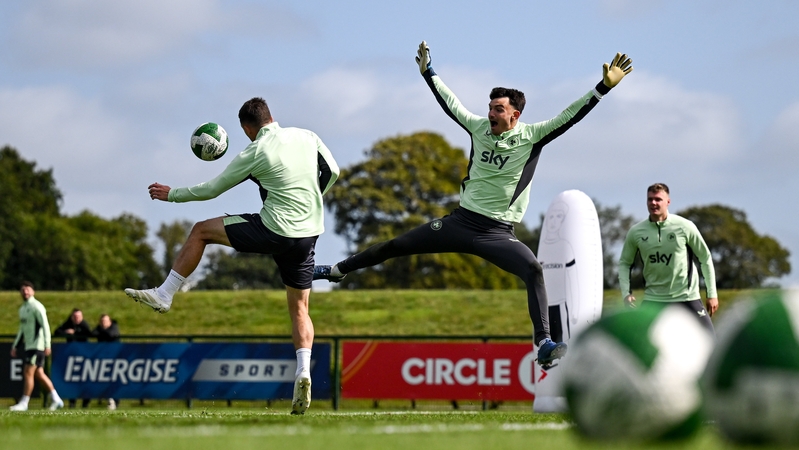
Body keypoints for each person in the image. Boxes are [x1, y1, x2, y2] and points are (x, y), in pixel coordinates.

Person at [314, 41, 633, 369]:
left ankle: (544, 344)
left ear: (514, 115)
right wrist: (428, 71)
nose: (490, 113)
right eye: (490, 107)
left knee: (533, 270)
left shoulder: (533, 136)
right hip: (460, 223)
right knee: (396, 245)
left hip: (496, 233)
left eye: (498, 109)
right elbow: (451, 104)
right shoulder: (479, 128)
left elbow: (571, 115)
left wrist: (603, 88)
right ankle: (337, 270)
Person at [123, 97, 340, 415]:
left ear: (246, 128)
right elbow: (333, 171)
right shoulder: (307, 136)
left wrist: (173, 195)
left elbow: (213, 189)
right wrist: (312, 198)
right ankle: (303, 370)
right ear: (271, 116)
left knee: (201, 231)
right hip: (308, 233)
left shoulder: (255, 151)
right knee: (300, 308)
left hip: (275, 229)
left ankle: (165, 293)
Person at [618, 183, 718, 334]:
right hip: (654, 300)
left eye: (658, 199)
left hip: (687, 297)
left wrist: (712, 294)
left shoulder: (685, 226)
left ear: (668, 202)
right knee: (640, 348)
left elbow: (705, 258)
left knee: (710, 342)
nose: (653, 203)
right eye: (650, 199)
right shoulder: (636, 232)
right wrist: (626, 293)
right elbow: (625, 263)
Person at [9, 281, 65, 411]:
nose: (25, 292)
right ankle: (56, 399)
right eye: (23, 290)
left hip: (37, 346)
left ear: (33, 291)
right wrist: (15, 346)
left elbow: (45, 325)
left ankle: (24, 402)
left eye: (28, 289)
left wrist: (47, 343)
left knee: (28, 372)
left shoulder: (37, 306)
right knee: (39, 373)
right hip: (29, 346)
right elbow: (22, 330)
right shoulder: (22, 309)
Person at [54, 308, 93, 408]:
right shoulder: (68, 324)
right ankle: (72, 402)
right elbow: (57, 332)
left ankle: (85, 402)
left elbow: (89, 334)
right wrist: (66, 332)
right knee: (72, 381)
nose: (76, 319)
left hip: (83, 358)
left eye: (78, 316)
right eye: (75, 316)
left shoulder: (84, 325)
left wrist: (75, 334)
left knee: (85, 381)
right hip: (71, 358)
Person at [93, 313, 121, 410]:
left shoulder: (114, 327)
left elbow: (111, 334)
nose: (103, 323)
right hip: (102, 360)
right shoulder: (99, 328)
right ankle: (109, 400)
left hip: (115, 360)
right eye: (102, 321)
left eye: (105, 321)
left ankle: (114, 401)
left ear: (110, 321)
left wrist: (102, 331)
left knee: (114, 380)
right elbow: (93, 333)